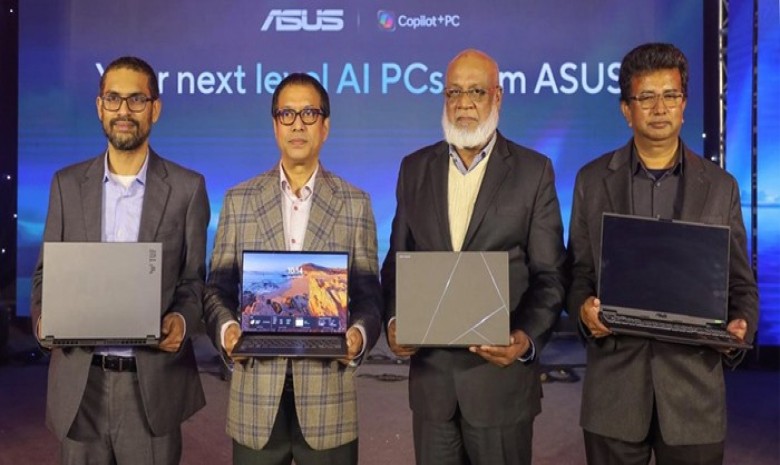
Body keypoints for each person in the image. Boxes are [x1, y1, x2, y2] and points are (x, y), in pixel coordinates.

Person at [567, 42, 759, 465]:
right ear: (626, 109)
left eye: (670, 95)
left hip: (693, 396)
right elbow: (578, 273)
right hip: (614, 395)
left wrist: (741, 327)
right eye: (646, 97)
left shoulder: (721, 186)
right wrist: (583, 309)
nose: (660, 108)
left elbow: (741, 285)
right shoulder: (592, 181)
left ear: (684, 104)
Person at [380, 48, 567, 465]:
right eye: (454, 92)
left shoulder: (533, 171)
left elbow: (550, 275)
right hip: (432, 385)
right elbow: (397, 261)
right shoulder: (414, 169)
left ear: (497, 97)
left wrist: (525, 338)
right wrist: (394, 320)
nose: (464, 103)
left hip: (499, 381)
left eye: (476, 92)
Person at [30, 56, 210, 464]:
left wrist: (181, 321)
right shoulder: (66, 185)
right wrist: (43, 321)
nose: (124, 111)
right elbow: (45, 276)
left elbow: (193, 281)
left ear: (155, 109)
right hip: (81, 384)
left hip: (151, 388)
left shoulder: (187, 189)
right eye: (113, 99)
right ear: (99, 107)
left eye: (136, 100)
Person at [203, 72, 382, 465]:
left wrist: (357, 336)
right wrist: (228, 330)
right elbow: (216, 288)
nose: (298, 124)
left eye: (309, 114)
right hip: (255, 397)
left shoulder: (356, 204)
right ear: (275, 125)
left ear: (325, 126)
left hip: (329, 397)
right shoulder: (239, 200)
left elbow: (370, 296)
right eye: (287, 114)